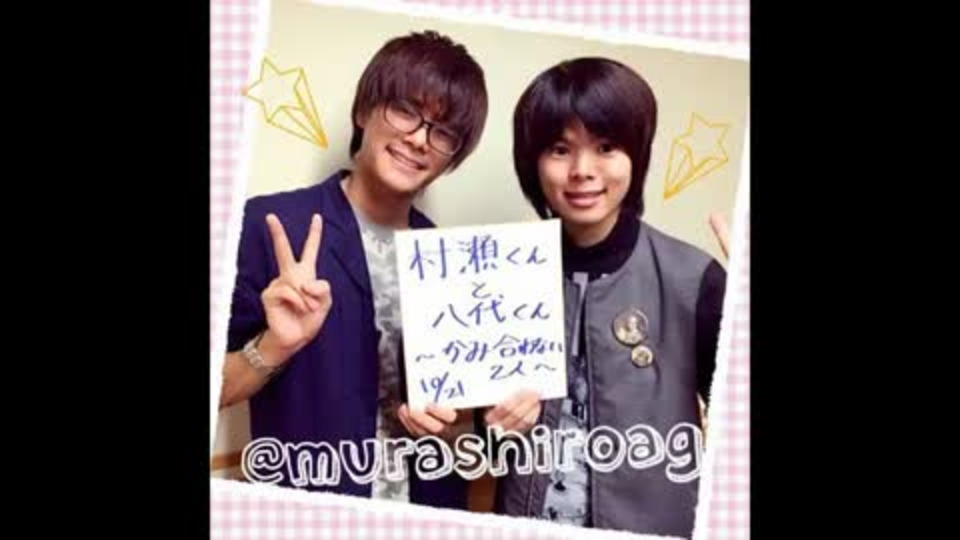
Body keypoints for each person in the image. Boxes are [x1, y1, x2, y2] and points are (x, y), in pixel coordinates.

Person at [218, 30, 489, 509]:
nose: (419, 139)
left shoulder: (444, 252)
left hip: (431, 499)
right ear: (364, 111)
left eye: (444, 133)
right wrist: (274, 346)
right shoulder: (271, 224)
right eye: (405, 110)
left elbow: (460, 393)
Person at [490, 57, 727, 537]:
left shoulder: (694, 278)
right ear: (533, 162)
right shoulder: (499, 274)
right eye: (560, 149)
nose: (582, 170)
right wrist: (487, 424)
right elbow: (478, 437)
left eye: (606, 147)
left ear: (636, 155)